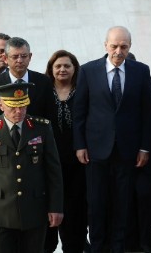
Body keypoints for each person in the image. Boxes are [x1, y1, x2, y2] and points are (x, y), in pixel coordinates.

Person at [71, 26, 151, 252]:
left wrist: (145, 148)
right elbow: (79, 111)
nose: (119, 51)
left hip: (128, 151)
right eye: (114, 46)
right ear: (105, 45)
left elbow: (148, 113)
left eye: (124, 47)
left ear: (130, 47)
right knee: (96, 204)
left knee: (123, 203)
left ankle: (119, 247)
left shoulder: (141, 71)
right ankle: (98, 246)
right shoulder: (88, 71)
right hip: (95, 151)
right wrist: (79, 145)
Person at [0, 83, 64, 253]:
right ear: (1, 105)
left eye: (22, 106)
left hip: (34, 210)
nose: (19, 111)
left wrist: (56, 207)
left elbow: (54, 172)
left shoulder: (41, 128)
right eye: (13, 107)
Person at [43, 50, 88, 253]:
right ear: (51, 70)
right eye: (58, 66)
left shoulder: (84, 90)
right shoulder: (42, 92)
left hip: (78, 166)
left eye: (67, 66)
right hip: (48, 166)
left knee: (75, 222)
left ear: (74, 69)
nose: (62, 69)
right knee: (48, 224)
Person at [0, 36, 57, 122]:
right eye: (15, 57)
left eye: (24, 56)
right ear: (5, 59)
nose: (20, 60)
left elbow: (51, 116)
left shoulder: (43, 81)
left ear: (30, 56)